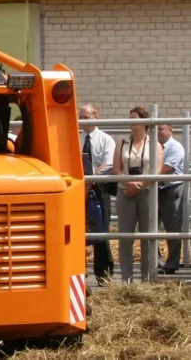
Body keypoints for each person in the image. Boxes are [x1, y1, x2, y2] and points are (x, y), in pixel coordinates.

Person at [113, 106, 163, 283]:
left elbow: (157, 170)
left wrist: (138, 185)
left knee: (147, 235)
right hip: (124, 191)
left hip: (146, 192)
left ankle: (147, 278)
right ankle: (126, 279)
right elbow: (117, 169)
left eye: (134, 118)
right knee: (125, 236)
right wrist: (128, 183)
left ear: (144, 122)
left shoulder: (155, 144)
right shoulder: (122, 142)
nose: (131, 122)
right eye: (129, 118)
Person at [79, 104, 116, 285]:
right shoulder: (75, 138)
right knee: (78, 231)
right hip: (79, 188)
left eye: (85, 117)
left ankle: (104, 274)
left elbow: (107, 164)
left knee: (102, 229)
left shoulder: (105, 139)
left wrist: (91, 179)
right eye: (81, 117)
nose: (82, 120)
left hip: (99, 189)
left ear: (96, 117)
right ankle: (80, 271)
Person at [157, 124, 185, 274]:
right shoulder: (154, 146)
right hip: (155, 189)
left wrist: (146, 175)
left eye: (161, 129)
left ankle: (172, 263)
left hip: (171, 189)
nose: (158, 132)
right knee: (150, 226)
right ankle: (156, 261)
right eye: (155, 129)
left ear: (170, 130)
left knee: (172, 228)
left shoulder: (175, 147)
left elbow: (167, 169)